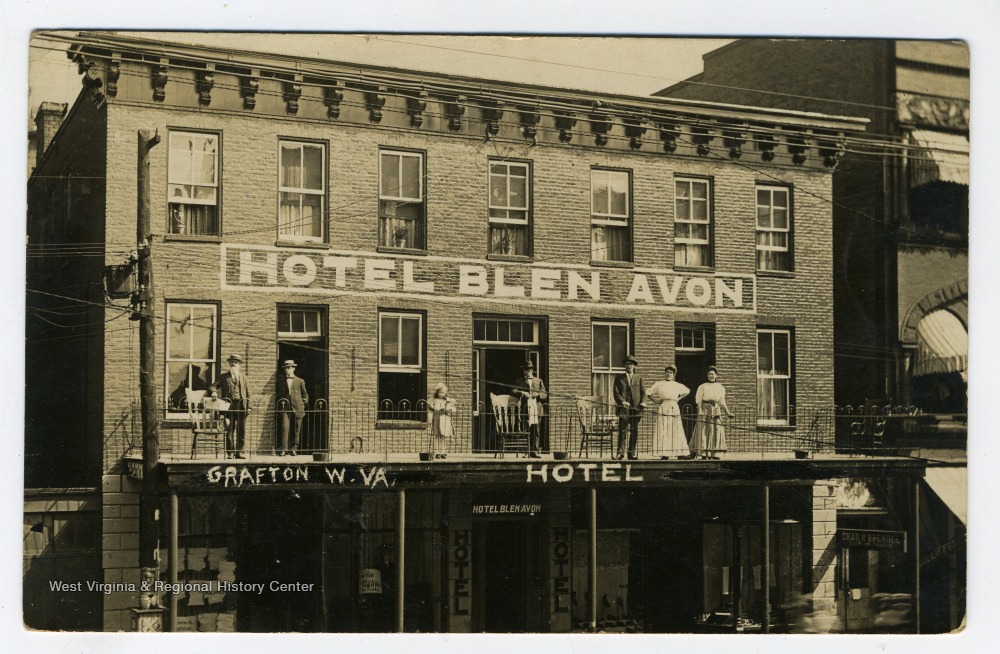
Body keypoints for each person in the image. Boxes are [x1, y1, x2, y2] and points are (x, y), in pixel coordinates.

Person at [645, 365, 692, 459]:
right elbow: (648, 393)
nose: (668, 374)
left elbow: (687, 391)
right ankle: (664, 453)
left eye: (671, 373)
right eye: (667, 372)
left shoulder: (676, 385)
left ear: (673, 375)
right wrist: (656, 401)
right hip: (663, 406)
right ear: (665, 373)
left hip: (674, 406)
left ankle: (680, 453)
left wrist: (678, 399)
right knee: (663, 429)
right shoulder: (659, 384)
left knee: (676, 429)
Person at [690, 366, 733, 459]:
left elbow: (722, 401)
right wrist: (700, 410)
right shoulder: (702, 386)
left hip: (715, 409)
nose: (711, 376)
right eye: (709, 374)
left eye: (712, 374)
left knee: (716, 429)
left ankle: (714, 454)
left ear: (716, 375)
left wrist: (727, 412)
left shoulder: (720, 387)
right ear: (707, 375)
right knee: (704, 429)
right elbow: (699, 400)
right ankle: (704, 453)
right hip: (705, 409)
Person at [218, 353, 251, 459]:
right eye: (232, 362)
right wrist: (214, 393)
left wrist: (249, 407)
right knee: (230, 429)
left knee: (241, 430)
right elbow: (212, 387)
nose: (233, 364)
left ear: (239, 365)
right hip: (229, 406)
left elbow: (249, 394)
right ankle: (230, 452)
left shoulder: (244, 378)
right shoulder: (224, 377)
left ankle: (240, 452)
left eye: (236, 362)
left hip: (241, 405)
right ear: (229, 364)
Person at [613, 355, 646, 460]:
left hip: (636, 409)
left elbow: (643, 392)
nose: (629, 366)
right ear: (625, 365)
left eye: (631, 364)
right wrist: (622, 401)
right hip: (624, 409)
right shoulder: (619, 378)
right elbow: (616, 392)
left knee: (634, 431)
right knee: (622, 431)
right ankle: (620, 453)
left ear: (634, 366)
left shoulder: (639, 378)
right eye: (627, 364)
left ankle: (631, 453)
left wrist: (643, 403)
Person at [275, 359, 309, 456]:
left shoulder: (300, 381)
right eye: (285, 368)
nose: (287, 370)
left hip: (297, 408)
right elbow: (278, 394)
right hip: (285, 408)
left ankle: (293, 449)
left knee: (296, 429)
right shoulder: (281, 381)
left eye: (289, 368)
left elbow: (305, 395)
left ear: (293, 368)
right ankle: (284, 449)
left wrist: (302, 404)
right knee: (285, 428)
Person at [514, 362, 548, 458]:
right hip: (526, 408)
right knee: (526, 429)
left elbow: (545, 394)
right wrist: (522, 392)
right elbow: (513, 390)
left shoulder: (539, 381)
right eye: (525, 369)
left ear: (532, 370)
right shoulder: (520, 381)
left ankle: (535, 451)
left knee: (536, 430)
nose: (527, 372)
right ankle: (527, 451)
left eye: (528, 369)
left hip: (536, 408)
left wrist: (538, 394)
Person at [428, 383, 455, 459]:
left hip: (444, 419)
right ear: (437, 392)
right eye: (440, 392)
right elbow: (431, 409)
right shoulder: (433, 400)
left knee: (443, 436)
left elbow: (452, 409)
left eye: (444, 392)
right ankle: (436, 452)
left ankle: (443, 452)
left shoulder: (447, 400)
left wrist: (448, 408)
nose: (442, 394)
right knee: (436, 435)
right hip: (436, 418)